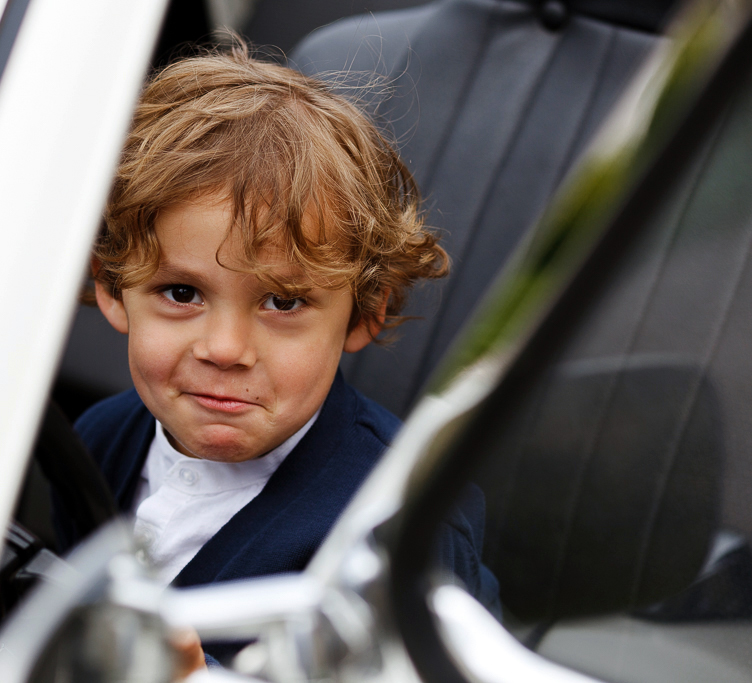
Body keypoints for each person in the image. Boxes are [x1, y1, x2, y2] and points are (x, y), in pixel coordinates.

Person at [51, 40, 498, 662]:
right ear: (112, 287)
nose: (226, 349)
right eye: (182, 292)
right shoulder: (97, 442)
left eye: (282, 303)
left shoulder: (394, 535)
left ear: (367, 312)